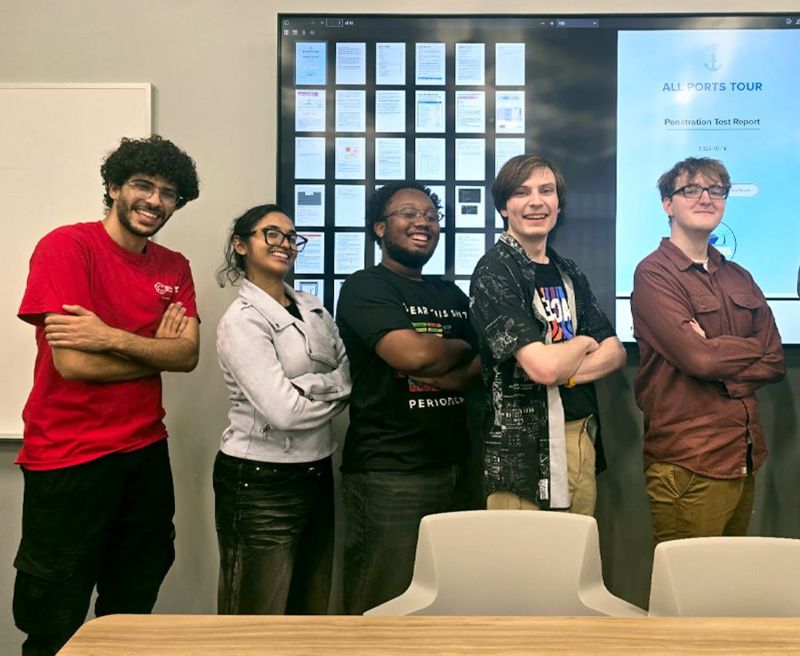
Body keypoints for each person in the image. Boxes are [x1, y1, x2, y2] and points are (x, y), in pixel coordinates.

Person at [13, 135, 201, 656]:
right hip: (69, 457)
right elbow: (73, 363)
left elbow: (186, 356)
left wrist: (111, 338)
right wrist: (150, 351)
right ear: (114, 186)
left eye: (169, 192)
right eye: (143, 185)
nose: (155, 201)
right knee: (54, 615)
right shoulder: (67, 247)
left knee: (131, 608)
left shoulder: (173, 266)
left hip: (144, 452)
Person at [336, 181, 480, 614]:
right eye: (409, 214)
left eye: (431, 217)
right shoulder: (366, 286)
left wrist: (451, 370)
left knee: (447, 602)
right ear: (380, 227)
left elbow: (488, 361)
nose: (423, 223)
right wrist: (458, 348)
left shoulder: (451, 294)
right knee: (383, 603)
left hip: (456, 467)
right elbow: (413, 354)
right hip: (389, 474)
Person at [631, 156, 784, 543]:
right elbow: (698, 359)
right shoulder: (654, 274)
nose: (706, 198)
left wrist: (717, 350)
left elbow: (775, 360)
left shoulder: (739, 276)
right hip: (689, 465)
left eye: (716, 190)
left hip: (743, 459)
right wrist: (742, 350)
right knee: (684, 596)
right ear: (668, 204)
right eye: (691, 190)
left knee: (720, 592)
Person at [213, 204, 350, 614]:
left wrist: (307, 388)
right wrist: (329, 390)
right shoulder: (241, 321)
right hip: (260, 481)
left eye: (291, 237)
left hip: (317, 469)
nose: (285, 244)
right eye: (271, 234)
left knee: (309, 607)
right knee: (256, 614)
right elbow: (284, 413)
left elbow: (348, 378)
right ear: (241, 245)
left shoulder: (312, 307)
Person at [470, 154, 626, 513]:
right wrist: (584, 343)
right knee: (524, 565)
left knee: (573, 561)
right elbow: (542, 368)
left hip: (578, 434)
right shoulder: (495, 271)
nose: (536, 201)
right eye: (522, 192)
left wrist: (564, 371)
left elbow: (615, 353)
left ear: (558, 204)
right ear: (504, 206)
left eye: (546, 190)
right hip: (522, 452)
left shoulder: (567, 270)